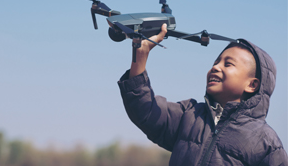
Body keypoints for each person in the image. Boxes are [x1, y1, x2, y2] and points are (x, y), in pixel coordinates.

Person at [118, 24, 288, 165]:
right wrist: (140, 55)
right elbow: (146, 111)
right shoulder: (189, 114)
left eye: (228, 64)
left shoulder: (267, 143)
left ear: (252, 85)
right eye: (216, 62)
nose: (216, 67)